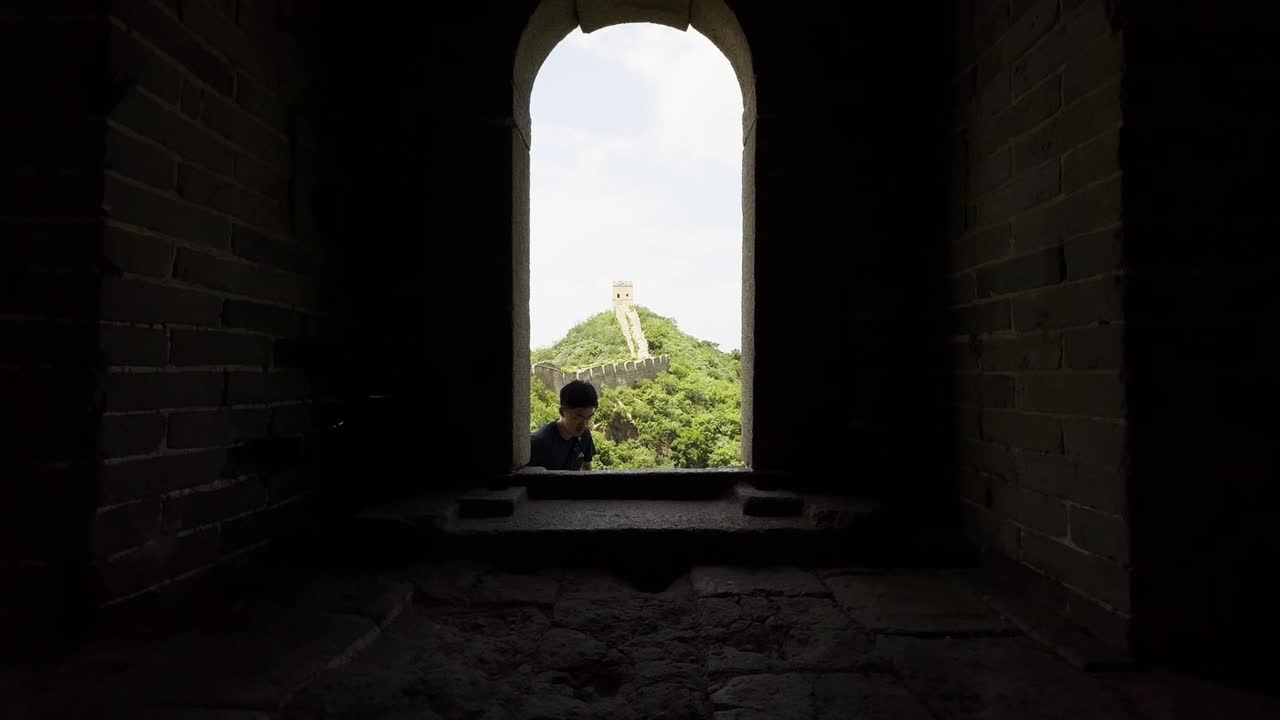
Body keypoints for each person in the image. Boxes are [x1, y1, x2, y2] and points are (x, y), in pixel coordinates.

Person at [529, 380, 597, 471]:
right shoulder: (539, 443)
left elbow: (586, 466)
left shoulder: (585, 434)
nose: (584, 424)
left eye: (588, 417)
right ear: (562, 412)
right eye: (578, 417)